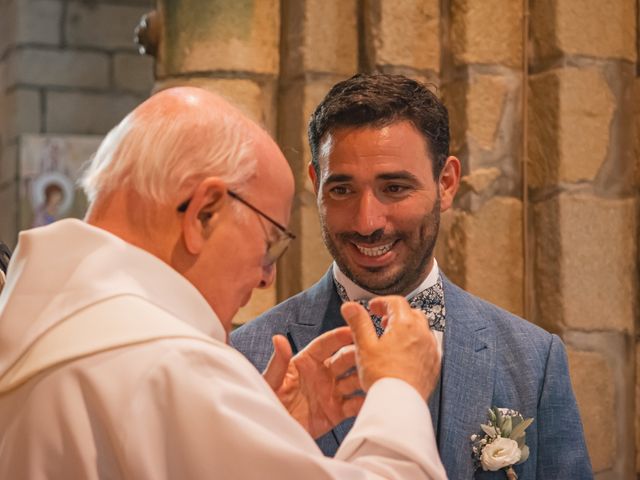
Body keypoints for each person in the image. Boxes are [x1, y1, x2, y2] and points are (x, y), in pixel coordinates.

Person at [0, 87, 447, 479]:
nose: (267, 275)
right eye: (270, 240)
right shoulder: (168, 363)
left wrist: (262, 433)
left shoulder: (39, 317)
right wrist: (399, 389)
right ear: (204, 212)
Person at [231, 74, 593, 479]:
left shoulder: (533, 359)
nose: (368, 222)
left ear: (446, 183)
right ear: (315, 185)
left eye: (395, 187)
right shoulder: (244, 359)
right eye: (341, 191)